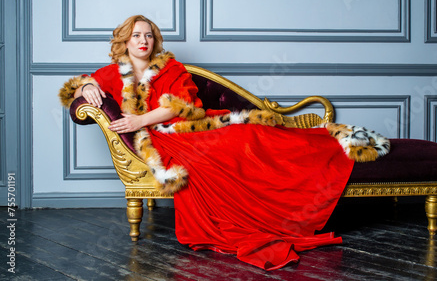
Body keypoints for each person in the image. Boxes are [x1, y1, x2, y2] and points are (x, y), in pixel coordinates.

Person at [59, 15, 389, 270]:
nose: (143, 40)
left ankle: (335, 142)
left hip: (191, 127)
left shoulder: (170, 67)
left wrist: (140, 120)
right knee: (231, 145)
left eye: (148, 35)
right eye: (136, 35)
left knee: (249, 133)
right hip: (166, 142)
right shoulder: (112, 74)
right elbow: (78, 89)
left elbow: (183, 106)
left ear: (155, 40)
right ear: (125, 41)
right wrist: (84, 88)